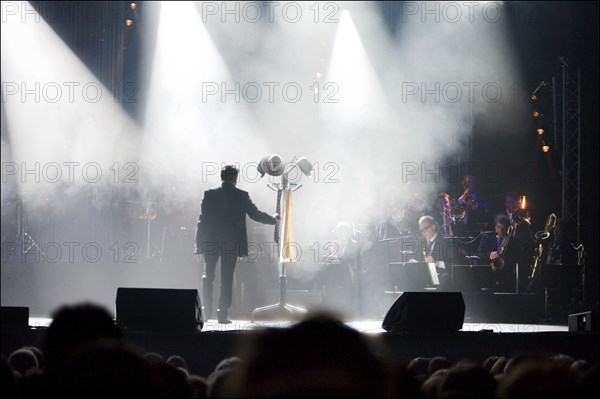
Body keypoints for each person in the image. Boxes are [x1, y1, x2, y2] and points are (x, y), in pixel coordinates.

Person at [195, 165, 279, 324]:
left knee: (208, 278)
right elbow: (256, 215)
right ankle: (222, 314)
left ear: (222, 176)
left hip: (210, 242)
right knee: (227, 279)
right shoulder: (242, 195)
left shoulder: (209, 194)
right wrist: (274, 219)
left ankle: (206, 312)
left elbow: (202, 220)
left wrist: (198, 244)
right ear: (235, 178)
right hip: (231, 244)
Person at [477, 215, 520, 292]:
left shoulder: (514, 240)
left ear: (508, 228)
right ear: (495, 227)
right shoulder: (487, 238)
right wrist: (490, 255)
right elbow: (479, 255)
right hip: (488, 277)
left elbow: (517, 258)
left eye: (504, 228)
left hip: (507, 278)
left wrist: (504, 259)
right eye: (499, 227)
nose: (501, 230)